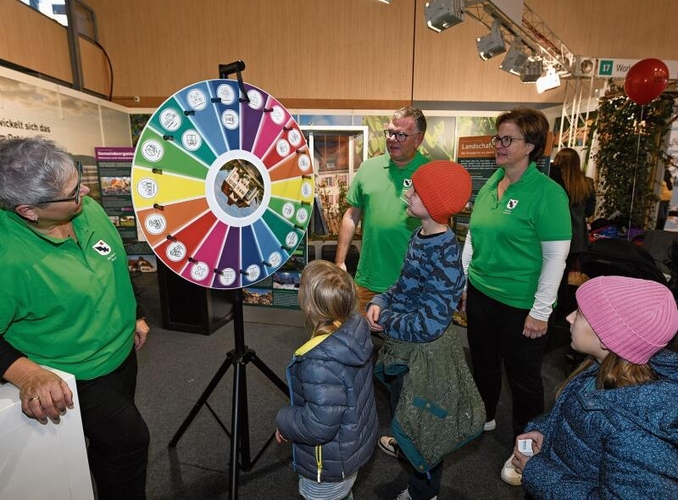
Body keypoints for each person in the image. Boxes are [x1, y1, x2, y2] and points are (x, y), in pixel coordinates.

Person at [0, 137, 150, 499]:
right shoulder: (7, 260)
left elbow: (113, 261)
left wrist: (136, 314)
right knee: (130, 444)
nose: (84, 191)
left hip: (121, 356)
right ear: (28, 210)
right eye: (72, 193)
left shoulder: (84, 209)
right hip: (76, 376)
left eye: (77, 179)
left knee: (108, 451)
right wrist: (30, 374)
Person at [459, 107, 572, 486]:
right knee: (485, 363)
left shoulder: (548, 194)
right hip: (481, 293)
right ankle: (485, 414)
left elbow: (557, 257)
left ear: (532, 146)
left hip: (522, 303)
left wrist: (540, 311)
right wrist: (464, 283)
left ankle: (526, 451)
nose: (499, 145)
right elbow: (474, 234)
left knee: (524, 380)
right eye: (498, 138)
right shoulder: (494, 180)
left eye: (508, 139)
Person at [368, 161, 485, 500]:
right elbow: (403, 287)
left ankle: (423, 491)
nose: (407, 192)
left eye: (415, 190)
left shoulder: (446, 253)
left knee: (426, 423)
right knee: (404, 406)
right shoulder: (419, 236)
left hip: (426, 356)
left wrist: (386, 320)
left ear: (433, 202)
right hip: (404, 348)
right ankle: (406, 445)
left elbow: (429, 325)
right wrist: (381, 299)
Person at [512, 275, 678, 499]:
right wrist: (546, 432)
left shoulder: (635, 432)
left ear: (608, 337)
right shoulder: (600, 368)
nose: (569, 317)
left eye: (580, 314)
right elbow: (579, 422)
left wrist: (538, 473)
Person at [275, 259, 378, 500]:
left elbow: (318, 426)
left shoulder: (318, 363)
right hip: (350, 448)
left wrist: (284, 419)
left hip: (328, 465)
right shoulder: (355, 327)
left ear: (309, 306)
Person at [336, 106, 429, 313]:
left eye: (401, 134)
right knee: (361, 340)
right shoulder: (368, 168)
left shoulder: (430, 173)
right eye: (390, 132)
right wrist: (340, 261)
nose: (393, 139)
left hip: (411, 284)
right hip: (368, 280)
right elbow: (352, 214)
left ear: (418, 139)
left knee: (403, 343)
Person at [549, 147, 596, 322]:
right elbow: (589, 211)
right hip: (578, 239)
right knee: (565, 274)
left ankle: (551, 308)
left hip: (556, 235)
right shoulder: (587, 183)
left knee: (552, 273)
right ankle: (562, 310)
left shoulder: (553, 183)